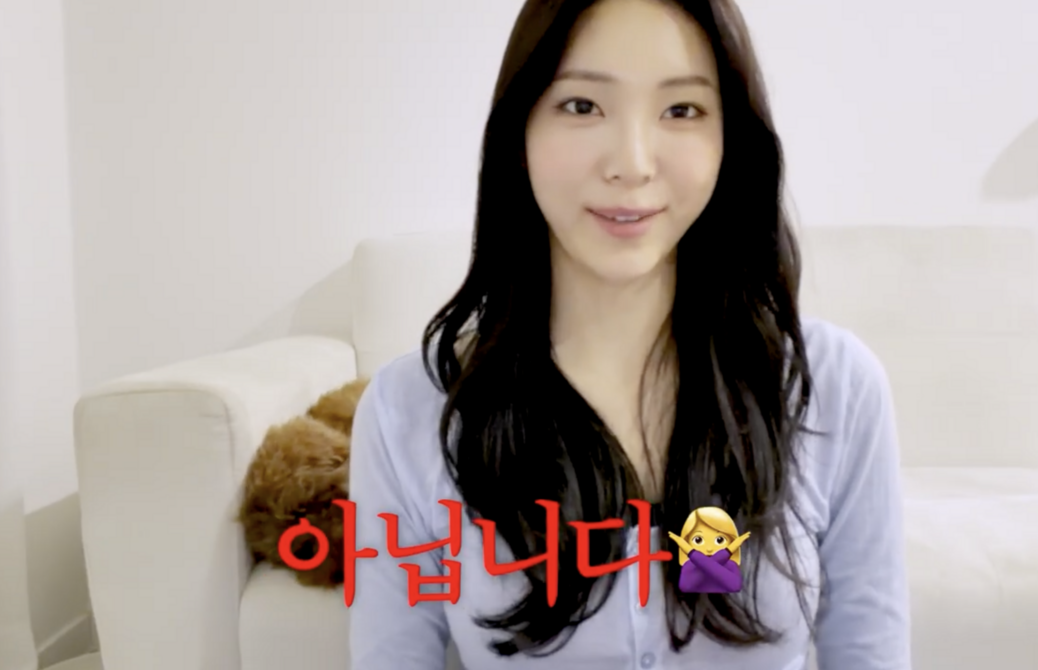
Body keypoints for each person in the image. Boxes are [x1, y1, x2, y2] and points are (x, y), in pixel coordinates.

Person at [347, 0, 911, 667]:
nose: (633, 163)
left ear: (730, 139)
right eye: (583, 106)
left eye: (682, 110)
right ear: (519, 130)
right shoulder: (407, 413)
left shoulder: (833, 388)